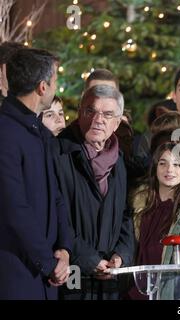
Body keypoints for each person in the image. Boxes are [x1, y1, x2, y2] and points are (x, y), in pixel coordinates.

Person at [0, 48, 72, 299]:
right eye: (54, 80)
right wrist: (48, 262)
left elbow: (57, 196)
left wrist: (64, 248)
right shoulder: (6, 133)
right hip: (15, 276)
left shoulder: (39, 131)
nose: (55, 86)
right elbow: (13, 208)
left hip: (47, 274)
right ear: (43, 87)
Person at [53, 85, 134, 300]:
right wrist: (89, 259)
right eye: (91, 111)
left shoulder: (120, 161)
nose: (98, 119)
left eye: (107, 114)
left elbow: (125, 213)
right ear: (80, 113)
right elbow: (53, 215)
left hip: (109, 281)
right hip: (70, 278)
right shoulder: (58, 153)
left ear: (117, 123)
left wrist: (121, 255)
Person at [127, 142, 180, 300]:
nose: (169, 170)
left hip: (171, 294)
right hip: (136, 291)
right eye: (163, 163)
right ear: (155, 167)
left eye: (177, 164)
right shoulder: (137, 203)